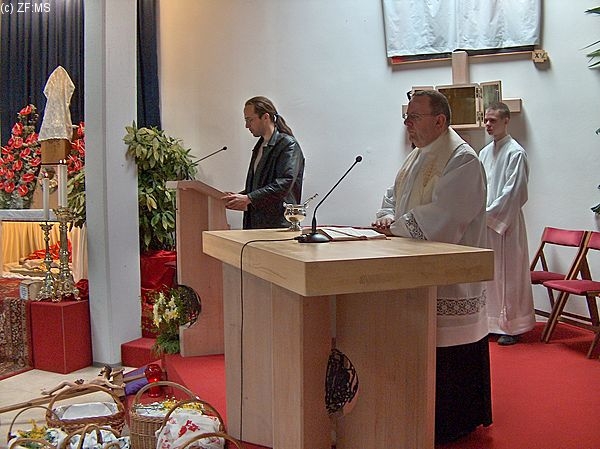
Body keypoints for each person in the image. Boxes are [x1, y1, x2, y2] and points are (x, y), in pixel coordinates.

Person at [372, 90, 491, 444]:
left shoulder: (462, 159)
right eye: (406, 117)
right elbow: (393, 196)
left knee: (449, 350)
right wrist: (386, 216)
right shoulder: (417, 155)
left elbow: (446, 216)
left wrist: (396, 226)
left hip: (450, 276)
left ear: (439, 121)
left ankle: (453, 421)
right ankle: (418, 412)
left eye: (414, 117)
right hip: (415, 268)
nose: (406, 123)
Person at [480, 102, 535, 346]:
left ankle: (512, 326)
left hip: (506, 224)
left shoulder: (516, 153)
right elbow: (478, 187)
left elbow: (515, 191)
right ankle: (490, 323)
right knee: (490, 276)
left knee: (508, 275)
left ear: (505, 121)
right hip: (484, 223)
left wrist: (490, 216)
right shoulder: (483, 153)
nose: (488, 125)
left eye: (493, 120)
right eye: (485, 120)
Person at [222, 96, 305, 229]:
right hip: (256, 223)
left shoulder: (288, 145)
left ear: (266, 117)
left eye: (250, 120)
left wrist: (249, 198)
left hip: (277, 225)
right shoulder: (260, 146)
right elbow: (261, 186)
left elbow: (284, 183)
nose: (247, 125)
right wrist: (239, 197)